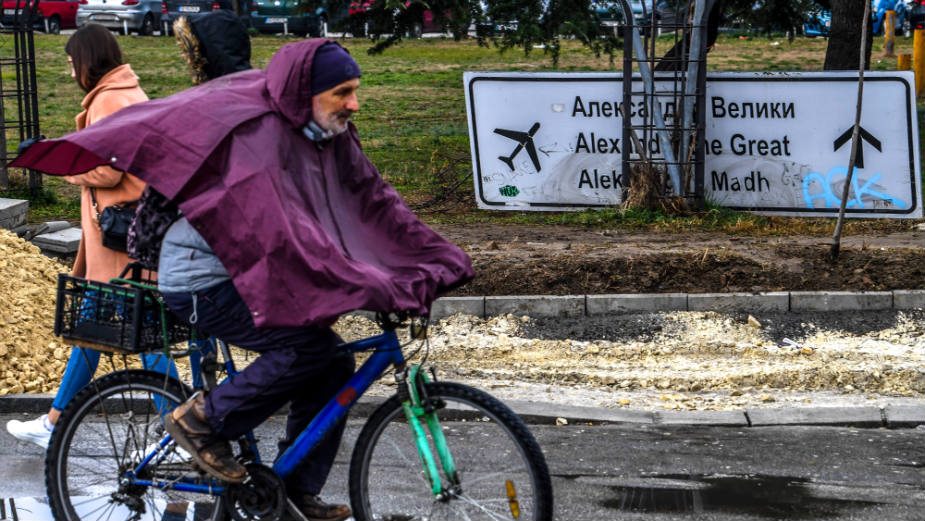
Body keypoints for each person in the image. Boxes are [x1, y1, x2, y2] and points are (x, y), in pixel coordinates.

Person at [11, 39, 474, 521]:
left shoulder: (327, 132)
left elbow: (374, 200)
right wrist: (367, 282)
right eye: (343, 92)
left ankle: (294, 489)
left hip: (247, 268)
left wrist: (436, 260)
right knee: (305, 350)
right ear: (307, 93)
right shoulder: (261, 140)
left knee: (334, 363)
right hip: (200, 278)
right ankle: (200, 421)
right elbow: (282, 234)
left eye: (355, 91)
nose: (354, 104)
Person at [5, 24, 178, 449]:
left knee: (142, 340)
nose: (69, 73)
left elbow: (109, 169)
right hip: (126, 240)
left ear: (86, 60)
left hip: (118, 244)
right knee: (92, 332)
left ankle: (182, 426)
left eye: (70, 63)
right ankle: (55, 422)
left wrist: (64, 165)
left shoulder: (109, 100)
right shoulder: (128, 92)